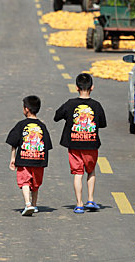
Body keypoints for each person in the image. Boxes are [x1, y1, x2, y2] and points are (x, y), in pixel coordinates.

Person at [54, 73, 106, 214]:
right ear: (92, 87)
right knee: (91, 171)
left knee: (78, 173)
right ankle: (90, 199)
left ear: (76, 88)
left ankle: (79, 204)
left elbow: (57, 116)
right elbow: (102, 124)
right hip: (91, 145)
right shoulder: (96, 105)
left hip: (74, 145)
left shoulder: (70, 104)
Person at [6, 96, 52, 216]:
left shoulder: (21, 125)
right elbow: (47, 144)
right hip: (39, 160)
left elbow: (13, 142)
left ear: (26, 109)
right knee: (36, 184)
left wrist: (13, 158)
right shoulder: (42, 126)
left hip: (24, 159)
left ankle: (27, 204)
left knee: (25, 182)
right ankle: (34, 205)